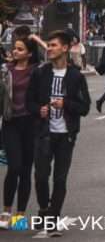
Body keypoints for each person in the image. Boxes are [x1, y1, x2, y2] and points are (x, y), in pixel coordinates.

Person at [25, 31, 90, 236]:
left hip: (66, 135)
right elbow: (30, 102)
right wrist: (39, 110)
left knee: (60, 179)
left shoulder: (75, 76)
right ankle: (44, 208)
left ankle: (53, 219)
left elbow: (85, 106)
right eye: (48, 45)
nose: (49, 48)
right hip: (44, 133)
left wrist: (66, 104)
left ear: (65, 48)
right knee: (41, 177)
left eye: (53, 45)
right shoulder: (40, 73)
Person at [0, 37, 41, 230]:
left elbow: (56, 58)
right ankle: (6, 211)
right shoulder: (4, 71)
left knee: (25, 171)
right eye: (14, 48)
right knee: (14, 167)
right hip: (11, 123)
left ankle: (20, 216)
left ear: (29, 53)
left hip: (30, 124)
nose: (15, 51)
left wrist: (38, 40)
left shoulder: (37, 72)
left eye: (20, 49)